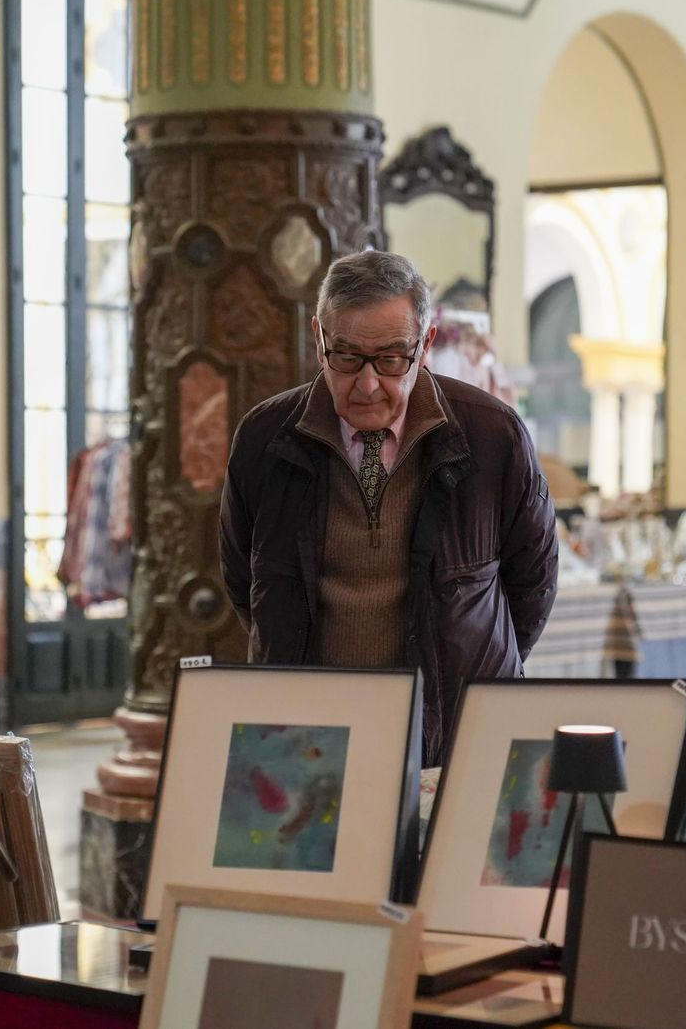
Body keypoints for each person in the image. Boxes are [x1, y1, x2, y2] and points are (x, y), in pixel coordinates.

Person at [219, 251, 557, 764]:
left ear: (425, 347)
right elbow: (244, 581)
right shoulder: (265, 439)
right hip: (307, 734)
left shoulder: (492, 436)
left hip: (453, 730)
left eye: (392, 359)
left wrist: (467, 672)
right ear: (319, 338)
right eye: (348, 357)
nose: (368, 383)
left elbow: (533, 585)